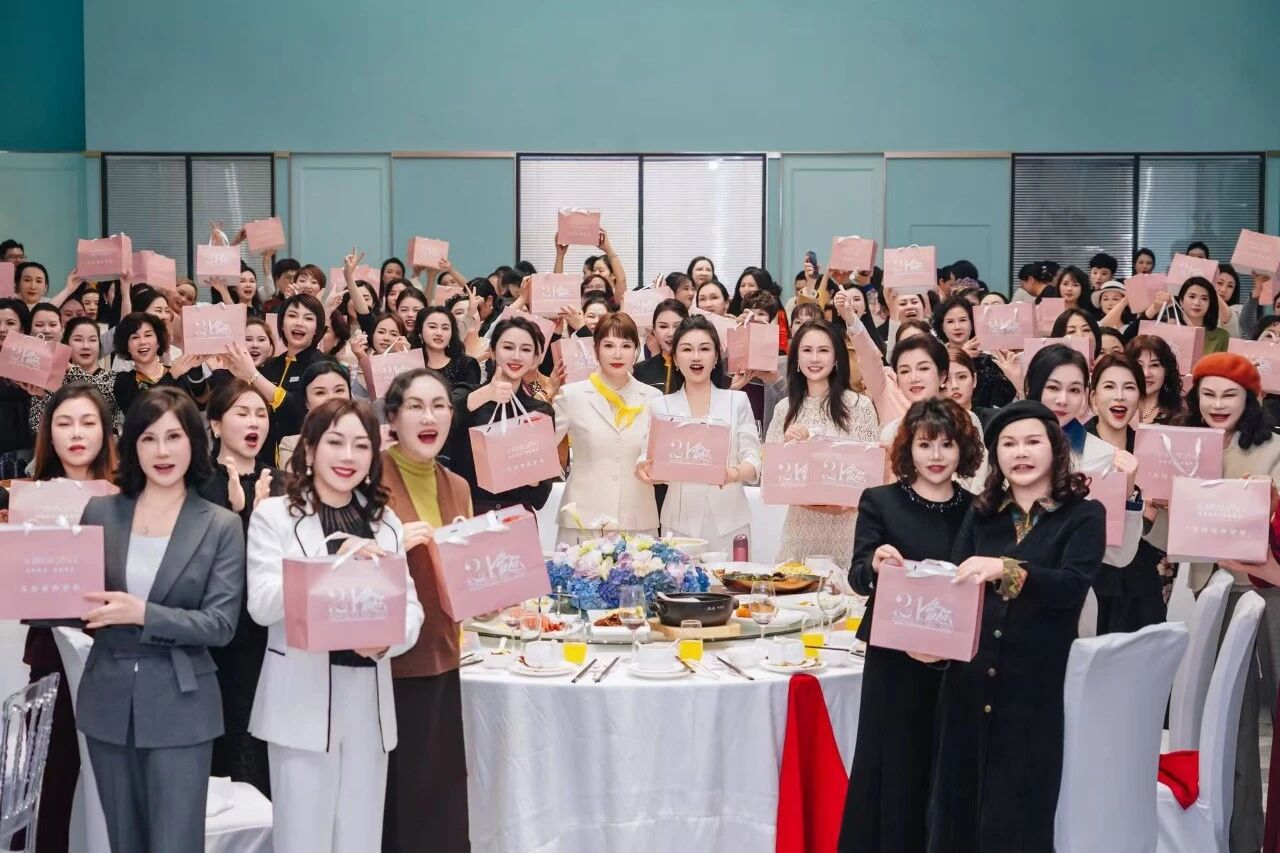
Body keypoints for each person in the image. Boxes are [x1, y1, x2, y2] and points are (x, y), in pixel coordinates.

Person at [928, 400, 1106, 852]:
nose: (1020, 452)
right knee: (957, 809)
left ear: (1055, 448)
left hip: (1035, 688)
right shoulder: (982, 512)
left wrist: (1004, 569)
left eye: (1032, 442)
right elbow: (954, 586)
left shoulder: (1084, 515)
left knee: (1021, 811)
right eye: (1008, 444)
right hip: (968, 685)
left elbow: (1071, 586)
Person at [247, 398, 423, 853]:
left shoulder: (385, 522)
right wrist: (332, 562)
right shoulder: (275, 516)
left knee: (360, 839)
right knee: (302, 840)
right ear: (309, 449)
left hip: (369, 699)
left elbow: (410, 609)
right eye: (335, 442)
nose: (348, 456)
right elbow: (262, 605)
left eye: (361, 446)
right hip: (300, 699)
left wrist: (385, 644)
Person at [77, 387, 245, 853]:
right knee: (123, 841)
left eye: (174, 437)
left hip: (182, 702)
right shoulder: (100, 512)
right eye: (148, 438)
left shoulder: (220, 524)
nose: (162, 451)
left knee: (176, 842)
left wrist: (144, 614)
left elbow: (220, 625)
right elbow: (77, 600)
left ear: (195, 442)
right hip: (107, 699)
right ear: (132, 445)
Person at [840, 398, 981, 853]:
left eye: (947, 444)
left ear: (963, 450)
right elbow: (857, 575)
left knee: (944, 768)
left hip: (955, 662)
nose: (936, 456)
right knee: (892, 767)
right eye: (925, 444)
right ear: (908, 448)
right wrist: (874, 564)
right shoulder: (880, 501)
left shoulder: (978, 510)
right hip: (893, 659)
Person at [1168, 352, 1280, 851]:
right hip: (1211, 590)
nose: (1217, 404)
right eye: (1208, 394)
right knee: (1228, 721)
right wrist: (1159, 506)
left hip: (1267, 589)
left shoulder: (1274, 448)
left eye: (1229, 395)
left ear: (1249, 400)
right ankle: (1239, 838)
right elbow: (1167, 538)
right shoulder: (1186, 449)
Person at [378, 369, 473, 853]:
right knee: (398, 798)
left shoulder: (457, 485)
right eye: (415, 406)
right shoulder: (368, 477)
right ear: (393, 418)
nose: (429, 416)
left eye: (439, 406)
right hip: (386, 661)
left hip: (445, 653)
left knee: (441, 794)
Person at [22, 383, 117, 853]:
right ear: (49, 434)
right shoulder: (33, 499)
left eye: (87, 422)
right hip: (53, 650)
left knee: (114, 777)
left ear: (106, 432)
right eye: (64, 423)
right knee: (49, 777)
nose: (76, 434)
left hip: (118, 650)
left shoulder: (130, 496)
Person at [198, 380, 279, 796]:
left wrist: (264, 520)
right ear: (215, 425)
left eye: (261, 414)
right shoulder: (197, 484)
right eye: (242, 413)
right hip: (217, 637)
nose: (254, 422)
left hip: (269, 636)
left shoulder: (282, 484)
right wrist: (238, 516)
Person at [637, 316, 760, 551]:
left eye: (704, 349)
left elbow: (753, 460)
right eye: (687, 349)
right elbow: (647, 456)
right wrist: (644, 469)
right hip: (679, 525)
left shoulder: (737, 401)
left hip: (730, 523)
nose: (696, 357)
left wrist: (732, 474)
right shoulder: (661, 405)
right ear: (675, 358)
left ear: (716, 356)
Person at [765, 320, 878, 566]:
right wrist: (786, 447)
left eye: (824, 350)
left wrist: (844, 503)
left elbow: (871, 477)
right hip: (800, 532)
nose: (815, 358)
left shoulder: (860, 406)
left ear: (837, 357)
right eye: (807, 350)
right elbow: (769, 477)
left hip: (847, 533)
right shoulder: (784, 409)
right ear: (796, 358)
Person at [552, 313, 660, 543]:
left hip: (637, 521)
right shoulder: (572, 395)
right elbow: (542, 447)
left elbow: (657, 455)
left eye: (626, 345)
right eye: (609, 345)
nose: (617, 354)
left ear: (636, 350)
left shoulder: (654, 398)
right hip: (582, 521)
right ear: (596, 349)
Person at [1084, 353, 1173, 633]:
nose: (1120, 396)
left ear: (1140, 398)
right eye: (1109, 386)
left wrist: (1158, 513)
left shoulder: (1157, 453)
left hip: (1141, 585)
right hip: (1088, 582)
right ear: (1093, 397)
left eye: (1130, 387)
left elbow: (1166, 536)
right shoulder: (1073, 449)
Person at [448, 316, 558, 514]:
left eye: (526, 350)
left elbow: (540, 497)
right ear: (492, 351)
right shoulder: (468, 395)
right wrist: (486, 393)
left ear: (535, 358)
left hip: (517, 516)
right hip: (470, 514)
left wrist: (531, 474)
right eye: (508, 347)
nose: (516, 356)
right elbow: (445, 420)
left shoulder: (539, 412)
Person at [27, 317, 121, 432]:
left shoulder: (114, 378)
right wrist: (40, 396)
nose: (86, 346)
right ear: (67, 344)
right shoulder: (54, 381)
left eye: (92, 340)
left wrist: (69, 367)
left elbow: (97, 392)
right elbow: (37, 427)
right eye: (78, 340)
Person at [111, 312, 207, 416]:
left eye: (148, 335)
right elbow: (140, 412)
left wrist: (195, 369)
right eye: (135, 337)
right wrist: (171, 375)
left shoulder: (178, 372)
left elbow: (201, 403)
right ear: (126, 346)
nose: (142, 342)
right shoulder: (123, 380)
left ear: (158, 342)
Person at [931, 295, 1016, 409]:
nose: (957, 326)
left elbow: (1004, 399)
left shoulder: (988, 360)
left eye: (963, 320)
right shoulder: (935, 358)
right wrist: (961, 357)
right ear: (942, 327)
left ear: (972, 323)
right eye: (950, 322)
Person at [0, 298, 34, 477]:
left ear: (22, 329)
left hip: (26, 452)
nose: (2, 329)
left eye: (10, 323)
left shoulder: (35, 361)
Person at [413, 306, 481, 390]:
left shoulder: (467, 365)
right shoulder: (411, 366)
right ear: (420, 332)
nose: (439, 333)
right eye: (432, 327)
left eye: (445, 328)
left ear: (452, 333)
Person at [634, 298, 689, 394]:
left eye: (677, 326)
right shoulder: (639, 371)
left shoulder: (698, 367)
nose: (671, 333)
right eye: (663, 326)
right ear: (654, 330)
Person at [1128, 334, 1184, 424]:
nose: (1146, 374)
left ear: (1166, 370)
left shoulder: (1180, 414)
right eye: (1139, 365)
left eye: (1154, 365)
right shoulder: (1115, 406)